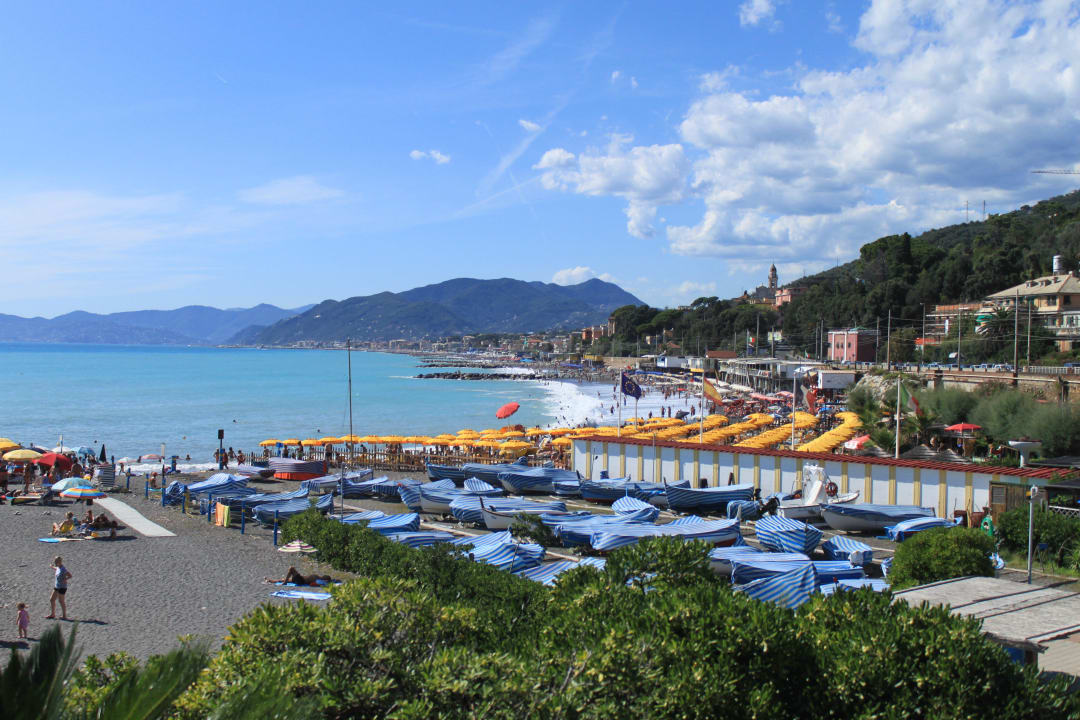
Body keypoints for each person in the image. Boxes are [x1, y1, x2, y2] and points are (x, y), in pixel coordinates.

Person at [265, 567, 333, 586]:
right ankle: (270, 581)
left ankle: (284, 582)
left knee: (291, 569)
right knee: (284, 579)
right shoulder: (318, 579)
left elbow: (312, 584)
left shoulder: (318, 580)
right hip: (300, 579)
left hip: (301, 580)